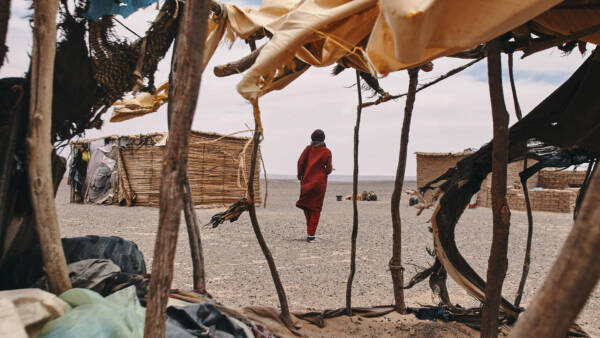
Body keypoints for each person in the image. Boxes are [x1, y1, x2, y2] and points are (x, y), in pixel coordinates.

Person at [296, 129, 333, 242]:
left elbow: (300, 162)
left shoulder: (308, 149)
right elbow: (329, 168)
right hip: (319, 184)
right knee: (316, 209)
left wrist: (300, 175)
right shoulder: (327, 152)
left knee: (307, 206)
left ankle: (310, 232)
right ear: (323, 139)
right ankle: (311, 235)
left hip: (306, 182)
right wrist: (324, 172)